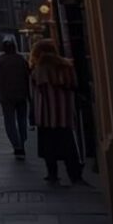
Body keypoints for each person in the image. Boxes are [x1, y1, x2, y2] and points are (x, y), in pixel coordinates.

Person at [28, 40, 84, 186]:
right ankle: (75, 175)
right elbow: (74, 85)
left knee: (48, 148)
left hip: (45, 115)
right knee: (68, 146)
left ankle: (52, 174)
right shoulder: (66, 67)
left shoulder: (38, 69)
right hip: (64, 114)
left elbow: (35, 94)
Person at [0, 38, 32, 159]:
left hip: (6, 96)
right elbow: (28, 75)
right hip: (21, 94)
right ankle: (22, 141)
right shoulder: (21, 60)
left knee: (9, 121)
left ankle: (16, 145)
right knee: (22, 120)